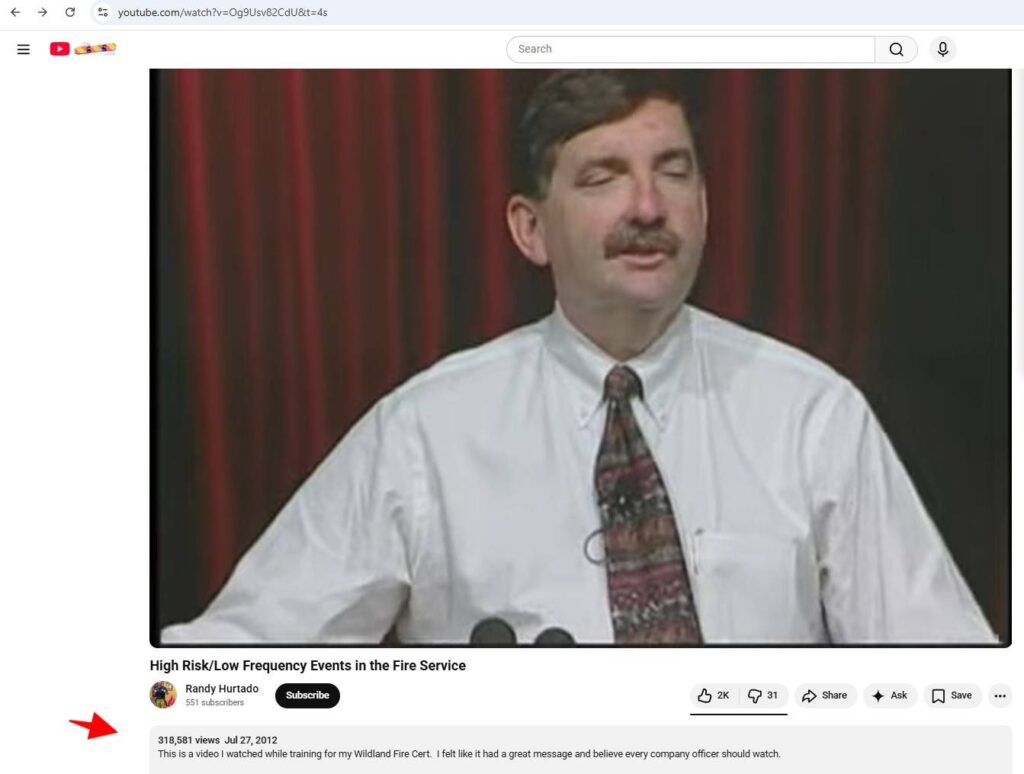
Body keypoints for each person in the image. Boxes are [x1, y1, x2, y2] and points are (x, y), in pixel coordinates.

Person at [162, 70, 995, 645]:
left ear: (704, 207)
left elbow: (948, 677)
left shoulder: (815, 417)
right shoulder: (425, 433)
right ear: (530, 228)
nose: (646, 205)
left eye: (672, 172)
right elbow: (237, 660)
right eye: (602, 176)